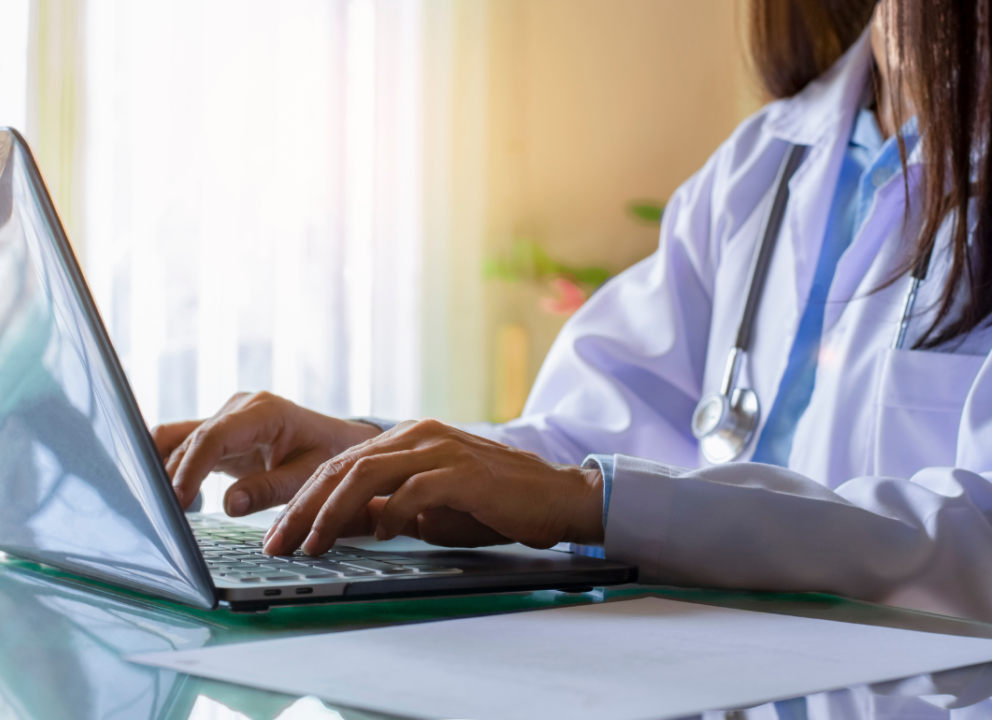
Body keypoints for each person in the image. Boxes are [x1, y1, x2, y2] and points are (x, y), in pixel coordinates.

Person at [154, 0, 992, 622]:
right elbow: (584, 439)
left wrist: (588, 499)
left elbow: (977, 535)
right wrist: (374, 457)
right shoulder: (763, 164)